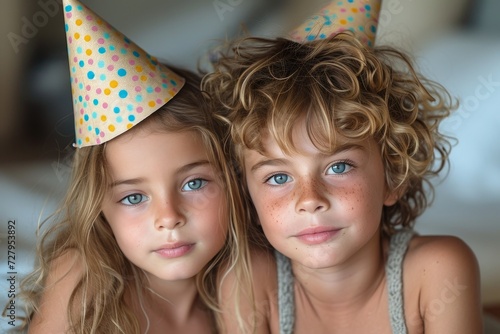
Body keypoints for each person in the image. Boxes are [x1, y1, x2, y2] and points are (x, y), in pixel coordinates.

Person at [202, 1, 483, 333]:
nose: (309, 199)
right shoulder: (248, 282)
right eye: (278, 177)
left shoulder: (436, 271)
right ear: (247, 193)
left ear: (393, 175)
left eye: (338, 167)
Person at [13, 0, 251, 333]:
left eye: (194, 183)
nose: (169, 217)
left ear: (234, 178)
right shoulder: (84, 276)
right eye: (134, 198)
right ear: (100, 209)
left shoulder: (247, 289)